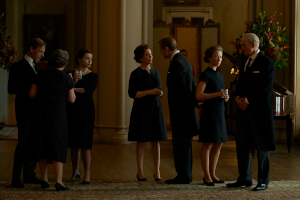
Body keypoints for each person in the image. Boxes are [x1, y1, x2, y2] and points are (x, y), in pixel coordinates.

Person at [226, 33, 275, 191]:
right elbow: (241, 84)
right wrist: (238, 98)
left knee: (261, 146)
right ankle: (245, 178)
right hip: (243, 112)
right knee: (241, 144)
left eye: (243, 45)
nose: (241, 48)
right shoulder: (245, 61)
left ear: (254, 45)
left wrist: (246, 101)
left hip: (259, 112)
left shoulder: (266, 63)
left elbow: (265, 89)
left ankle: (263, 181)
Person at [29, 49, 76, 191]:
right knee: (58, 145)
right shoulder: (66, 78)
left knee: (43, 144)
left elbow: (32, 94)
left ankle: (44, 179)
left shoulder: (41, 74)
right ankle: (59, 181)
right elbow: (71, 99)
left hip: (41, 113)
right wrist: (72, 83)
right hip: (58, 115)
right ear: (64, 63)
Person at [159, 36, 199, 184]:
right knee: (186, 145)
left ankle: (183, 175)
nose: (161, 53)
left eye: (161, 50)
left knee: (181, 145)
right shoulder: (185, 61)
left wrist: (190, 101)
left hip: (180, 112)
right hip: (186, 110)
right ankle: (186, 174)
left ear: (167, 49)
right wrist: (195, 101)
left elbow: (182, 88)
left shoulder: (176, 63)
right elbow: (192, 84)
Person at [8, 38, 46, 188]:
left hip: (38, 111)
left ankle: (29, 175)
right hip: (24, 110)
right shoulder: (17, 66)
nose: (43, 55)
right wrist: (31, 89)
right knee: (23, 144)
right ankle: (15, 178)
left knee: (34, 143)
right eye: (41, 51)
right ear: (31, 48)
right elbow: (12, 89)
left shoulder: (40, 67)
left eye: (43, 52)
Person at [128, 44, 167, 182]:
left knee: (156, 141)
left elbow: (160, 90)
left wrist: (160, 92)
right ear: (141, 58)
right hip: (141, 109)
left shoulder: (156, 72)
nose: (150, 57)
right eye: (147, 55)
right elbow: (132, 94)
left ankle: (157, 172)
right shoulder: (135, 73)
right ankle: (140, 172)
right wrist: (150, 92)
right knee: (141, 141)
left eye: (151, 54)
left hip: (155, 108)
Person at [196, 46, 229, 186]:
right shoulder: (205, 74)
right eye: (216, 56)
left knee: (219, 143)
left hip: (219, 111)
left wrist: (225, 97)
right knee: (208, 143)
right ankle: (206, 176)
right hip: (209, 113)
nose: (219, 59)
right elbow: (198, 95)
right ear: (209, 57)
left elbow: (220, 93)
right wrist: (217, 94)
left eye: (220, 57)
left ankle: (213, 173)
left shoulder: (220, 74)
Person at [67, 48, 98, 184]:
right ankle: (74, 172)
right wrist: (72, 82)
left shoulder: (93, 76)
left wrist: (72, 88)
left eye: (91, 59)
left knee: (85, 144)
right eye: (87, 58)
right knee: (73, 144)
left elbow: (88, 90)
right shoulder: (70, 74)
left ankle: (88, 174)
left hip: (87, 111)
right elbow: (66, 90)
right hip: (72, 110)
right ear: (79, 59)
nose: (90, 61)